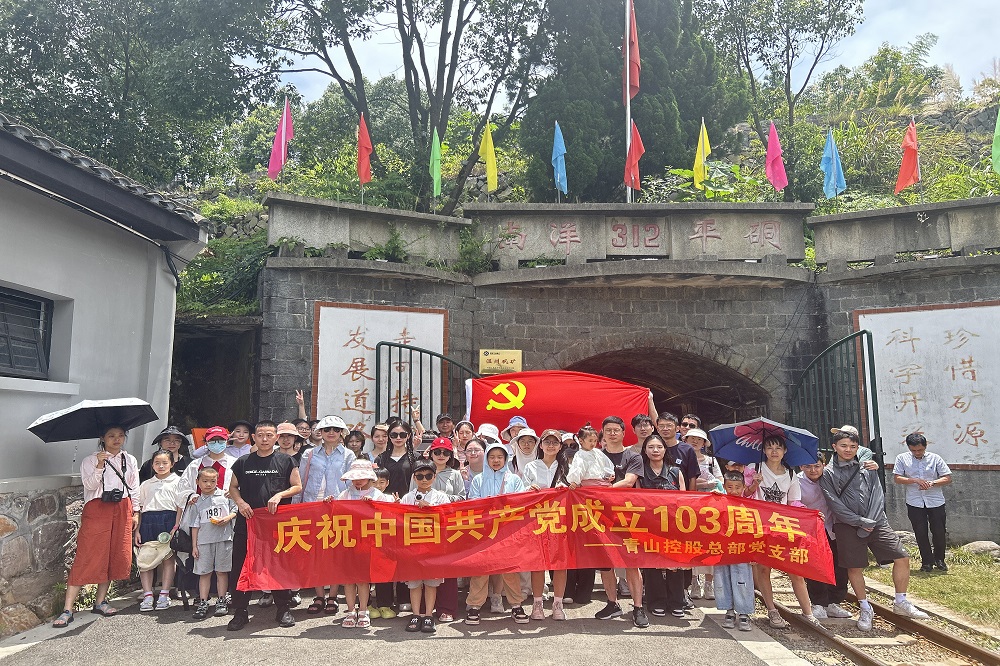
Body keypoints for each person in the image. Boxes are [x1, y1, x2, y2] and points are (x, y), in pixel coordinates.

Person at [820, 430, 929, 631]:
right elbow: (834, 503)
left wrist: (870, 520)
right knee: (854, 567)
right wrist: (859, 521)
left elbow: (878, 494)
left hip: (877, 521)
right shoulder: (827, 473)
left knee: (901, 556)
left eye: (853, 446)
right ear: (834, 447)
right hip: (847, 526)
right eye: (844, 446)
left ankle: (901, 601)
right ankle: (864, 607)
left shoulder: (867, 466)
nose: (848, 450)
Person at [53, 425, 139, 628]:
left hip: (122, 507)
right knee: (87, 554)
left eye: (121, 435)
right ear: (102, 438)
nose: (117, 439)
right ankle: (68, 609)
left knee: (113, 554)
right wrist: (100, 465)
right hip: (97, 508)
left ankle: (100, 601)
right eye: (111, 436)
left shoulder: (130, 459)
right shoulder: (90, 460)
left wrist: (136, 511)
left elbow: (134, 487)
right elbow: (90, 485)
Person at [226, 420, 302, 631]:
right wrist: (240, 503)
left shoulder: (286, 461)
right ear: (254, 438)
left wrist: (280, 495)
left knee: (278, 565)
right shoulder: (243, 462)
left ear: (276, 437)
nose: (265, 439)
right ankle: (240, 611)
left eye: (269, 435)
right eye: (260, 435)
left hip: (276, 524)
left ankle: (283, 608)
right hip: (248, 522)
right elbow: (233, 487)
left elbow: (297, 486)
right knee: (242, 566)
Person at [751, 435, 818, 628]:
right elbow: (743, 494)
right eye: (769, 447)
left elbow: (793, 502)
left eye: (778, 448)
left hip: (782, 525)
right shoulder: (754, 468)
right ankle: (772, 610)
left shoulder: (790, 473)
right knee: (763, 568)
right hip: (760, 525)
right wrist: (754, 484)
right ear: (764, 450)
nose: (774, 452)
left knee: (795, 569)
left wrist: (809, 514)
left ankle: (808, 612)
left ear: (784, 451)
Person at [466, 441, 529, 625]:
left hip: (507, 532)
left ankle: (516, 605)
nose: (496, 460)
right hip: (484, 533)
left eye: (500, 457)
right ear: (486, 459)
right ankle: (474, 606)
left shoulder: (514, 480)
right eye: (492, 457)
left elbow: (520, 503)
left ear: (505, 459)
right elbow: (473, 503)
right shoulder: (478, 479)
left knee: (510, 570)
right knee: (481, 570)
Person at [297, 414, 355, 615]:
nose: (331, 433)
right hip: (312, 507)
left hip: (337, 509)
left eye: (336, 430)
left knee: (335, 554)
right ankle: (319, 595)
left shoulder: (348, 455)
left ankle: (332, 596)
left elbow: (351, 484)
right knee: (315, 554)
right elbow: (301, 482)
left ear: (342, 433)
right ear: (320, 432)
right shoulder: (309, 454)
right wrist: (296, 509)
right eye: (327, 429)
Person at [594, 416, 646, 627]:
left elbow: (629, 481)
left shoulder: (633, 456)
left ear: (624, 433)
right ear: (603, 433)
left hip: (627, 516)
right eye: (608, 430)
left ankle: (638, 607)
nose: (612, 433)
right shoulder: (595, 456)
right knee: (605, 563)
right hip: (600, 516)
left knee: (631, 562)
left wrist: (605, 489)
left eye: (616, 430)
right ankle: (612, 603)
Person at [336, 460, 392, 628]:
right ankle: (350, 610)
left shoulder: (377, 495)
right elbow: (335, 513)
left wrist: (373, 506)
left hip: (368, 543)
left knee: (362, 579)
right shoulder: (345, 494)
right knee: (348, 579)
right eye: (354, 478)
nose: (358, 481)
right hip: (348, 541)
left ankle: (363, 610)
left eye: (361, 477)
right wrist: (330, 503)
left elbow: (387, 516)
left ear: (369, 477)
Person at [799, 452, 853, 621]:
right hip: (811, 530)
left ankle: (834, 602)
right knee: (815, 566)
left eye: (817, 466)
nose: (813, 470)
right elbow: (792, 502)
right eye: (808, 466)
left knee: (839, 565)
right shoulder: (797, 482)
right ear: (801, 467)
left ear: (824, 465)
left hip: (834, 527)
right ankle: (818, 603)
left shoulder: (831, 478)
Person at [637, 433, 685, 623]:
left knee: (675, 564)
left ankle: (677, 601)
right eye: (651, 447)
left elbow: (684, 500)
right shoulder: (640, 473)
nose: (655, 450)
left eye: (659, 447)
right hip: (650, 526)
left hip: (673, 525)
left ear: (665, 450)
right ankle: (656, 601)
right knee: (652, 563)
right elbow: (637, 500)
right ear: (645, 450)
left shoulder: (675, 472)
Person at [401, 460, 453, 633]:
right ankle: (416, 614)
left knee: (431, 583)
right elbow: (399, 520)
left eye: (428, 476)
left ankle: (429, 614)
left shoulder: (441, 497)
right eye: (420, 476)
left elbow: (447, 517)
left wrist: (430, 509)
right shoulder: (407, 497)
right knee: (414, 583)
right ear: (414, 478)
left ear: (434, 477)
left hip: (433, 547)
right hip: (413, 547)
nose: (424, 480)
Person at [523, 429, 568, 620]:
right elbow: (522, 492)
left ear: (560, 446)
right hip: (537, 521)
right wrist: (529, 490)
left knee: (560, 563)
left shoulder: (567, 467)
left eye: (555, 442)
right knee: (538, 563)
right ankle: (538, 604)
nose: (551, 445)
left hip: (561, 522)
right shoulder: (531, 467)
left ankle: (558, 604)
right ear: (540, 445)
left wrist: (567, 488)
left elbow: (577, 489)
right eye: (547, 442)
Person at [374, 420, 418, 613]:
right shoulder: (381, 458)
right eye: (394, 435)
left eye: (402, 435)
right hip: (384, 511)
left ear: (408, 436)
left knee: (405, 555)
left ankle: (404, 596)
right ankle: (383, 600)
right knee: (383, 556)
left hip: (407, 511)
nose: (398, 438)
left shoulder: (415, 458)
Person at [893, 433, 952, 572]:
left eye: (920, 450)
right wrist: (914, 480)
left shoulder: (935, 458)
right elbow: (897, 478)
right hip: (914, 501)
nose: (917, 453)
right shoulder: (902, 458)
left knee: (939, 531)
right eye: (913, 450)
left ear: (925, 446)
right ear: (909, 447)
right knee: (920, 532)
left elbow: (947, 478)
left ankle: (940, 559)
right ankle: (927, 561)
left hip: (935, 501)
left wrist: (932, 483)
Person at [134, 449, 183, 612]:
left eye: (165, 463)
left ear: (172, 464)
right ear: (152, 465)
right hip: (148, 521)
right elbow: (140, 509)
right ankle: (147, 595)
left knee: (168, 558)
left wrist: (176, 526)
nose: (161, 466)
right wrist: (137, 530)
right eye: (157, 463)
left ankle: (164, 594)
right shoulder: (146, 484)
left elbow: (180, 507)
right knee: (145, 559)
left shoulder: (178, 482)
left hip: (169, 520)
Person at [189, 467, 238, 620]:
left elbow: (235, 510)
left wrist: (227, 518)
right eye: (205, 481)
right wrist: (194, 546)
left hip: (224, 539)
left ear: (218, 481)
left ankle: (221, 600)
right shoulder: (196, 502)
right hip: (203, 542)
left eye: (212, 481)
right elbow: (194, 526)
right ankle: (203, 602)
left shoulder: (225, 496)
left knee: (222, 571)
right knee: (204, 572)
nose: (209, 484)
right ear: (198, 482)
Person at [713, 471, 755, 631]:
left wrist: (753, 552)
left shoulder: (749, 505)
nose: (734, 490)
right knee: (722, 578)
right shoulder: (718, 503)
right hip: (722, 548)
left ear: (744, 487)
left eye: (738, 487)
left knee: (743, 579)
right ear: (724, 486)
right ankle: (728, 610)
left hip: (742, 549)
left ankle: (744, 613)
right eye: (730, 487)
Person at [685, 427, 722, 601]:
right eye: (691, 438)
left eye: (699, 439)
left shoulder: (711, 461)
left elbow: (720, 481)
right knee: (692, 545)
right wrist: (704, 484)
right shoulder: (682, 458)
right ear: (685, 440)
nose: (695, 441)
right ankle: (694, 581)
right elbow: (683, 482)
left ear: (704, 443)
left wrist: (710, 485)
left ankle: (709, 583)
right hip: (690, 508)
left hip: (710, 510)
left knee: (710, 545)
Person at [179, 426, 236, 498]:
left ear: (227, 442)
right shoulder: (195, 465)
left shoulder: (235, 463)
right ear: (206, 443)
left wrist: (236, 492)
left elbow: (244, 485)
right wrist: (191, 496)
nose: (217, 443)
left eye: (221, 440)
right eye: (212, 440)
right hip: (200, 504)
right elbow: (183, 487)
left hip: (228, 504)